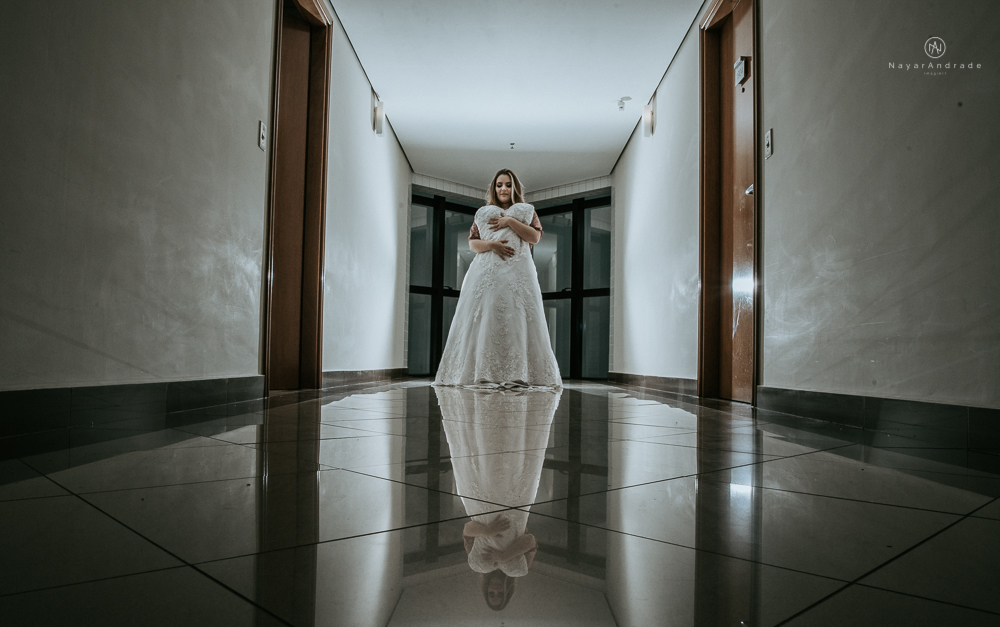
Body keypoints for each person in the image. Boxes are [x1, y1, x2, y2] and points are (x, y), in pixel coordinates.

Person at [433, 168, 562, 388]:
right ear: (494, 188)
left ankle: (521, 373)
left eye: (508, 184)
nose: (504, 189)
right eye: (499, 185)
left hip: (518, 274)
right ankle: (481, 372)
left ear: (515, 188)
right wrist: (492, 245)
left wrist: (510, 222)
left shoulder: (526, 211)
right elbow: (473, 243)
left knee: (518, 318)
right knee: (486, 318)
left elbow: (535, 237)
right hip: (488, 273)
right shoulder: (483, 214)